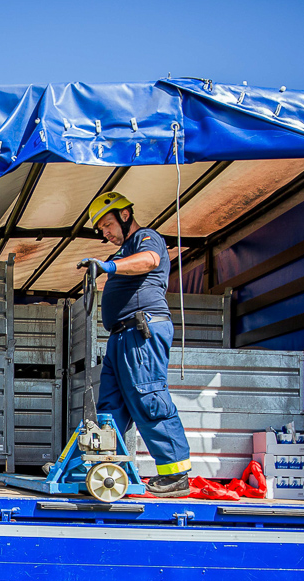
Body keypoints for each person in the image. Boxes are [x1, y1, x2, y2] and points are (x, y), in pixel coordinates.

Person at [81, 191, 192, 498]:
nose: (105, 232)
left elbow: (150, 260)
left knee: (148, 397)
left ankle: (176, 474)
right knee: (110, 407)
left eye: (107, 224)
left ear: (125, 215)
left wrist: (109, 268)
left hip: (141, 330)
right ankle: (103, 469)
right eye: (101, 229)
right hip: (121, 336)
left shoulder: (146, 238)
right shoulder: (123, 252)